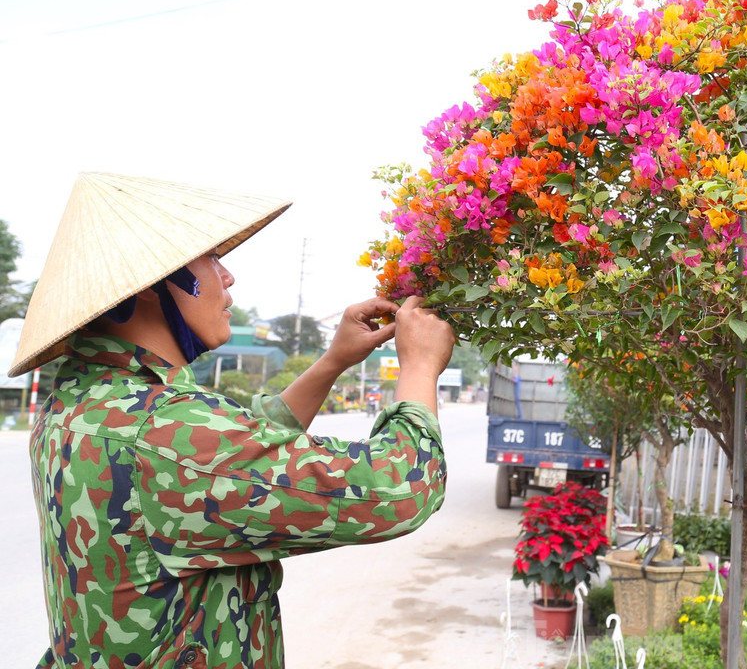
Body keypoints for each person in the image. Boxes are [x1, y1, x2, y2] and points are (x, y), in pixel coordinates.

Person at [8, 172, 456, 669]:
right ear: (156, 282)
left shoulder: (79, 402)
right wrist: (418, 366)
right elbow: (400, 489)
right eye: (212, 258)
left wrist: (332, 362)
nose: (228, 276)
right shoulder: (160, 431)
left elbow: (238, 447)